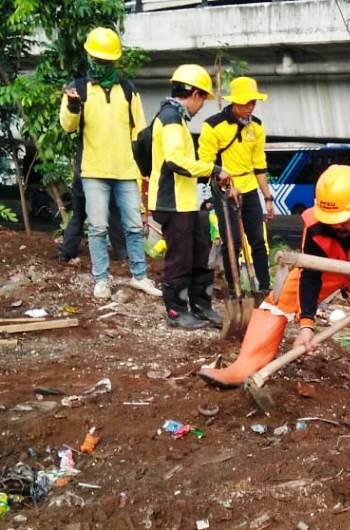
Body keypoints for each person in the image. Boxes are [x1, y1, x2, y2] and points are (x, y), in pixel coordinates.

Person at [199, 165, 350, 407]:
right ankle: (242, 369)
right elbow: (310, 275)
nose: (336, 226)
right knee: (278, 301)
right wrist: (306, 325)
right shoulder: (315, 224)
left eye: (342, 220)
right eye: (330, 221)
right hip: (329, 266)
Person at [59, 27, 161, 300]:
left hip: (125, 171)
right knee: (98, 228)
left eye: (105, 60)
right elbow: (68, 126)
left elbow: (139, 133)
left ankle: (139, 276)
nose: (100, 63)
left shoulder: (127, 90)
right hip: (94, 171)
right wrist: (73, 106)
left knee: (134, 227)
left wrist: (143, 170)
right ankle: (101, 279)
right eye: (97, 58)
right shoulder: (78, 89)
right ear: (89, 58)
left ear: (114, 60)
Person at [149, 64, 227, 329]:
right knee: (180, 258)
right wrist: (213, 169)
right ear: (194, 94)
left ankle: (202, 306)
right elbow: (174, 161)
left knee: (200, 253)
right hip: (172, 202)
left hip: (187, 200)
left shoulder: (178, 118)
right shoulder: (170, 118)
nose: (201, 106)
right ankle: (176, 311)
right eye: (202, 99)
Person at [198, 76, 274, 294]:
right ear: (235, 102)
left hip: (249, 188)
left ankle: (264, 288)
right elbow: (206, 163)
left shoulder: (257, 126)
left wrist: (268, 198)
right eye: (246, 102)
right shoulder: (213, 126)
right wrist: (225, 185)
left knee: (258, 241)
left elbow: (259, 164)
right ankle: (234, 289)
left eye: (253, 102)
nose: (250, 107)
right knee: (232, 243)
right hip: (224, 191)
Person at [57, 172, 127, 265]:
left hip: (80, 181)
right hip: (97, 181)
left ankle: (66, 253)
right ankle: (122, 252)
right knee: (112, 214)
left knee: (78, 217)